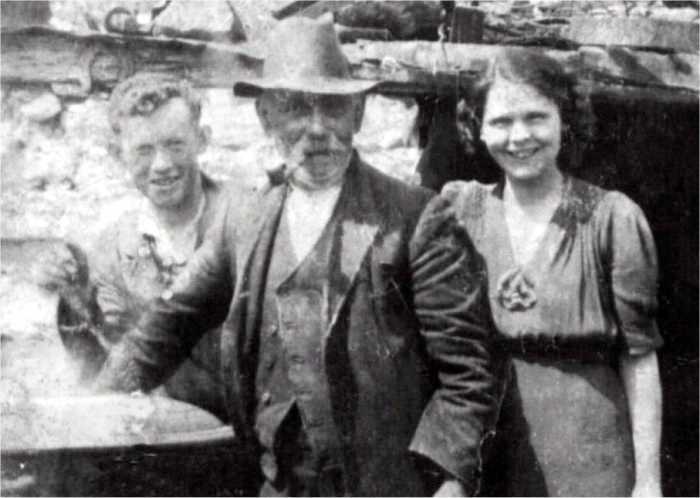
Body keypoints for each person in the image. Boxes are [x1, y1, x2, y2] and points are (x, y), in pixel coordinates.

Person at [92, 14, 499, 497]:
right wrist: (91, 409)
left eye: (333, 108)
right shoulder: (245, 221)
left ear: (359, 114)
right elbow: (166, 327)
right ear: (265, 116)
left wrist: (451, 483)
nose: (317, 129)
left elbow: (470, 376)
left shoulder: (414, 219)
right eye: (295, 109)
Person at [441, 48, 664, 497]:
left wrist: (648, 481)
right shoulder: (460, 212)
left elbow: (639, 358)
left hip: (591, 458)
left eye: (536, 117)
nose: (519, 136)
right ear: (477, 129)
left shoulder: (611, 218)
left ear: (565, 119)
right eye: (501, 121)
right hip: (491, 460)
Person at [36, 73, 227, 420]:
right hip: (166, 446)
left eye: (175, 144)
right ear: (117, 153)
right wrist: (75, 302)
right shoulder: (110, 251)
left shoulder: (244, 222)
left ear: (202, 140)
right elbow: (99, 372)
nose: (162, 165)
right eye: (143, 150)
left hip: (245, 444)